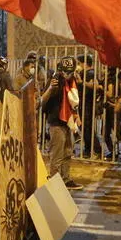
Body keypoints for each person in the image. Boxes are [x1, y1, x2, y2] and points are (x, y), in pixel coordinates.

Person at [41, 56, 83, 190]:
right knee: (57, 154)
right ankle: (54, 182)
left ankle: (66, 179)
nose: (67, 74)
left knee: (67, 152)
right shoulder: (54, 80)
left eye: (70, 71)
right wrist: (51, 89)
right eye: (65, 71)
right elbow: (42, 101)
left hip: (68, 121)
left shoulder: (72, 81)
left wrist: (77, 116)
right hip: (56, 121)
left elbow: (73, 102)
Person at [75, 55, 102, 158]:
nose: (78, 66)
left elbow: (94, 85)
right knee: (84, 127)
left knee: (87, 127)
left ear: (85, 63)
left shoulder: (90, 73)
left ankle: (95, 150)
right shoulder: (84, 73)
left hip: (88, 104)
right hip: (84, 103)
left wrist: (82, 82)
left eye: (79, 63)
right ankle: (88, 150)